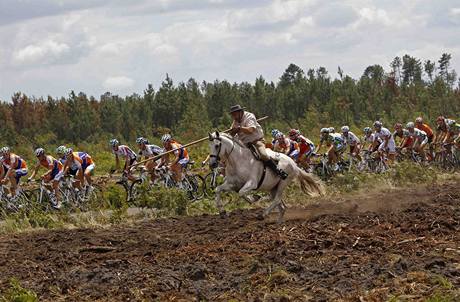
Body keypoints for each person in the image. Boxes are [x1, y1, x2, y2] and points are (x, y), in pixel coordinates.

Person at [229, 104, 288, 179]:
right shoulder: (235, 121)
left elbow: (250, 130)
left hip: (257, 141)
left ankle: (278, 170)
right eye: (233, 115)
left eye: (235, 114)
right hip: (244, 144)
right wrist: (233, 131)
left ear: (240, 112)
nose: (234, 116)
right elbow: (231, 133)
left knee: (263, 154)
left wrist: (240, 128)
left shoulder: (249, 116)